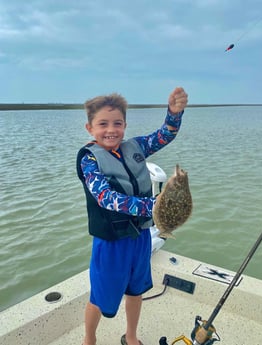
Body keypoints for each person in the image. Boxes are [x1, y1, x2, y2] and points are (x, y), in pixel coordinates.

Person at [76, 87, 188, 345]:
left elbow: (165, 135)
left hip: (140, 237)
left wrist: (174, 113)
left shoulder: (135, 146)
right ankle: (89, 339)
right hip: (111, 242)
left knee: (136, 290)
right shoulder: (89, 160)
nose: (111, 129)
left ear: (125, 125)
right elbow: (105, 197)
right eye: (102, 124)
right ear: (89, 128)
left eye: (117, 123)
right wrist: (154, 206)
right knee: (100, 297)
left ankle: (132, 336)